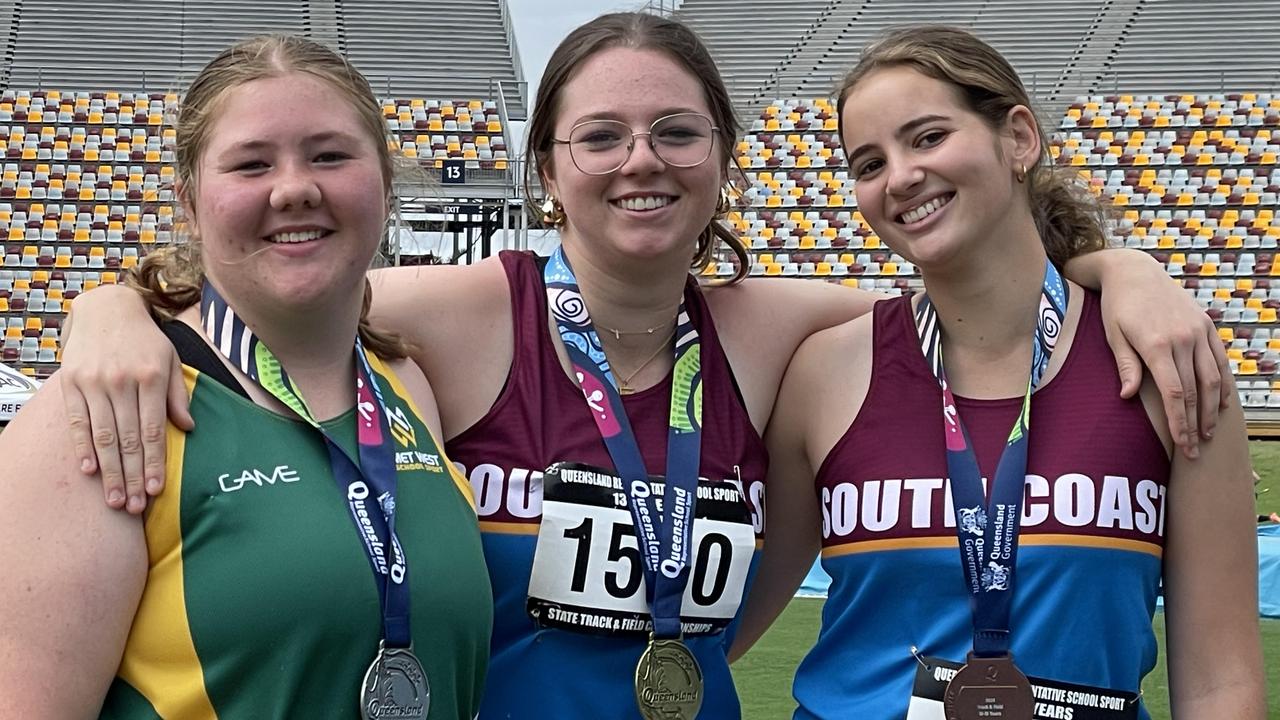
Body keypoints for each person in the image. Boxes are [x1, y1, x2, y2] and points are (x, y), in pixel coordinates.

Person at [57, 12, 1231, 719]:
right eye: (600, 136)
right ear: (546, 168)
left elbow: (977, 287)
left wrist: (1118, 270)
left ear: (722, 157)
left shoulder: (780, 332)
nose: (641, 162)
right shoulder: (453, 314)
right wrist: (106, 309)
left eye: (676, 131)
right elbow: (257, 273)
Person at [734, 25, 1265, 719]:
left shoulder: (1168, 362)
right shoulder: (824, 374)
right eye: (868, 163)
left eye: (926, 138)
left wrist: (1127, 270)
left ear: (1018, 137)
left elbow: (1221, 685)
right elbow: (723, 628)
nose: (899, 177)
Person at [0, 35, 491, 718]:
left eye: (329, 155)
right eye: (251, 164)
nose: (295, 188)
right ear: (191, 202)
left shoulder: (407, 382)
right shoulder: (97, 411)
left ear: (384, 177)